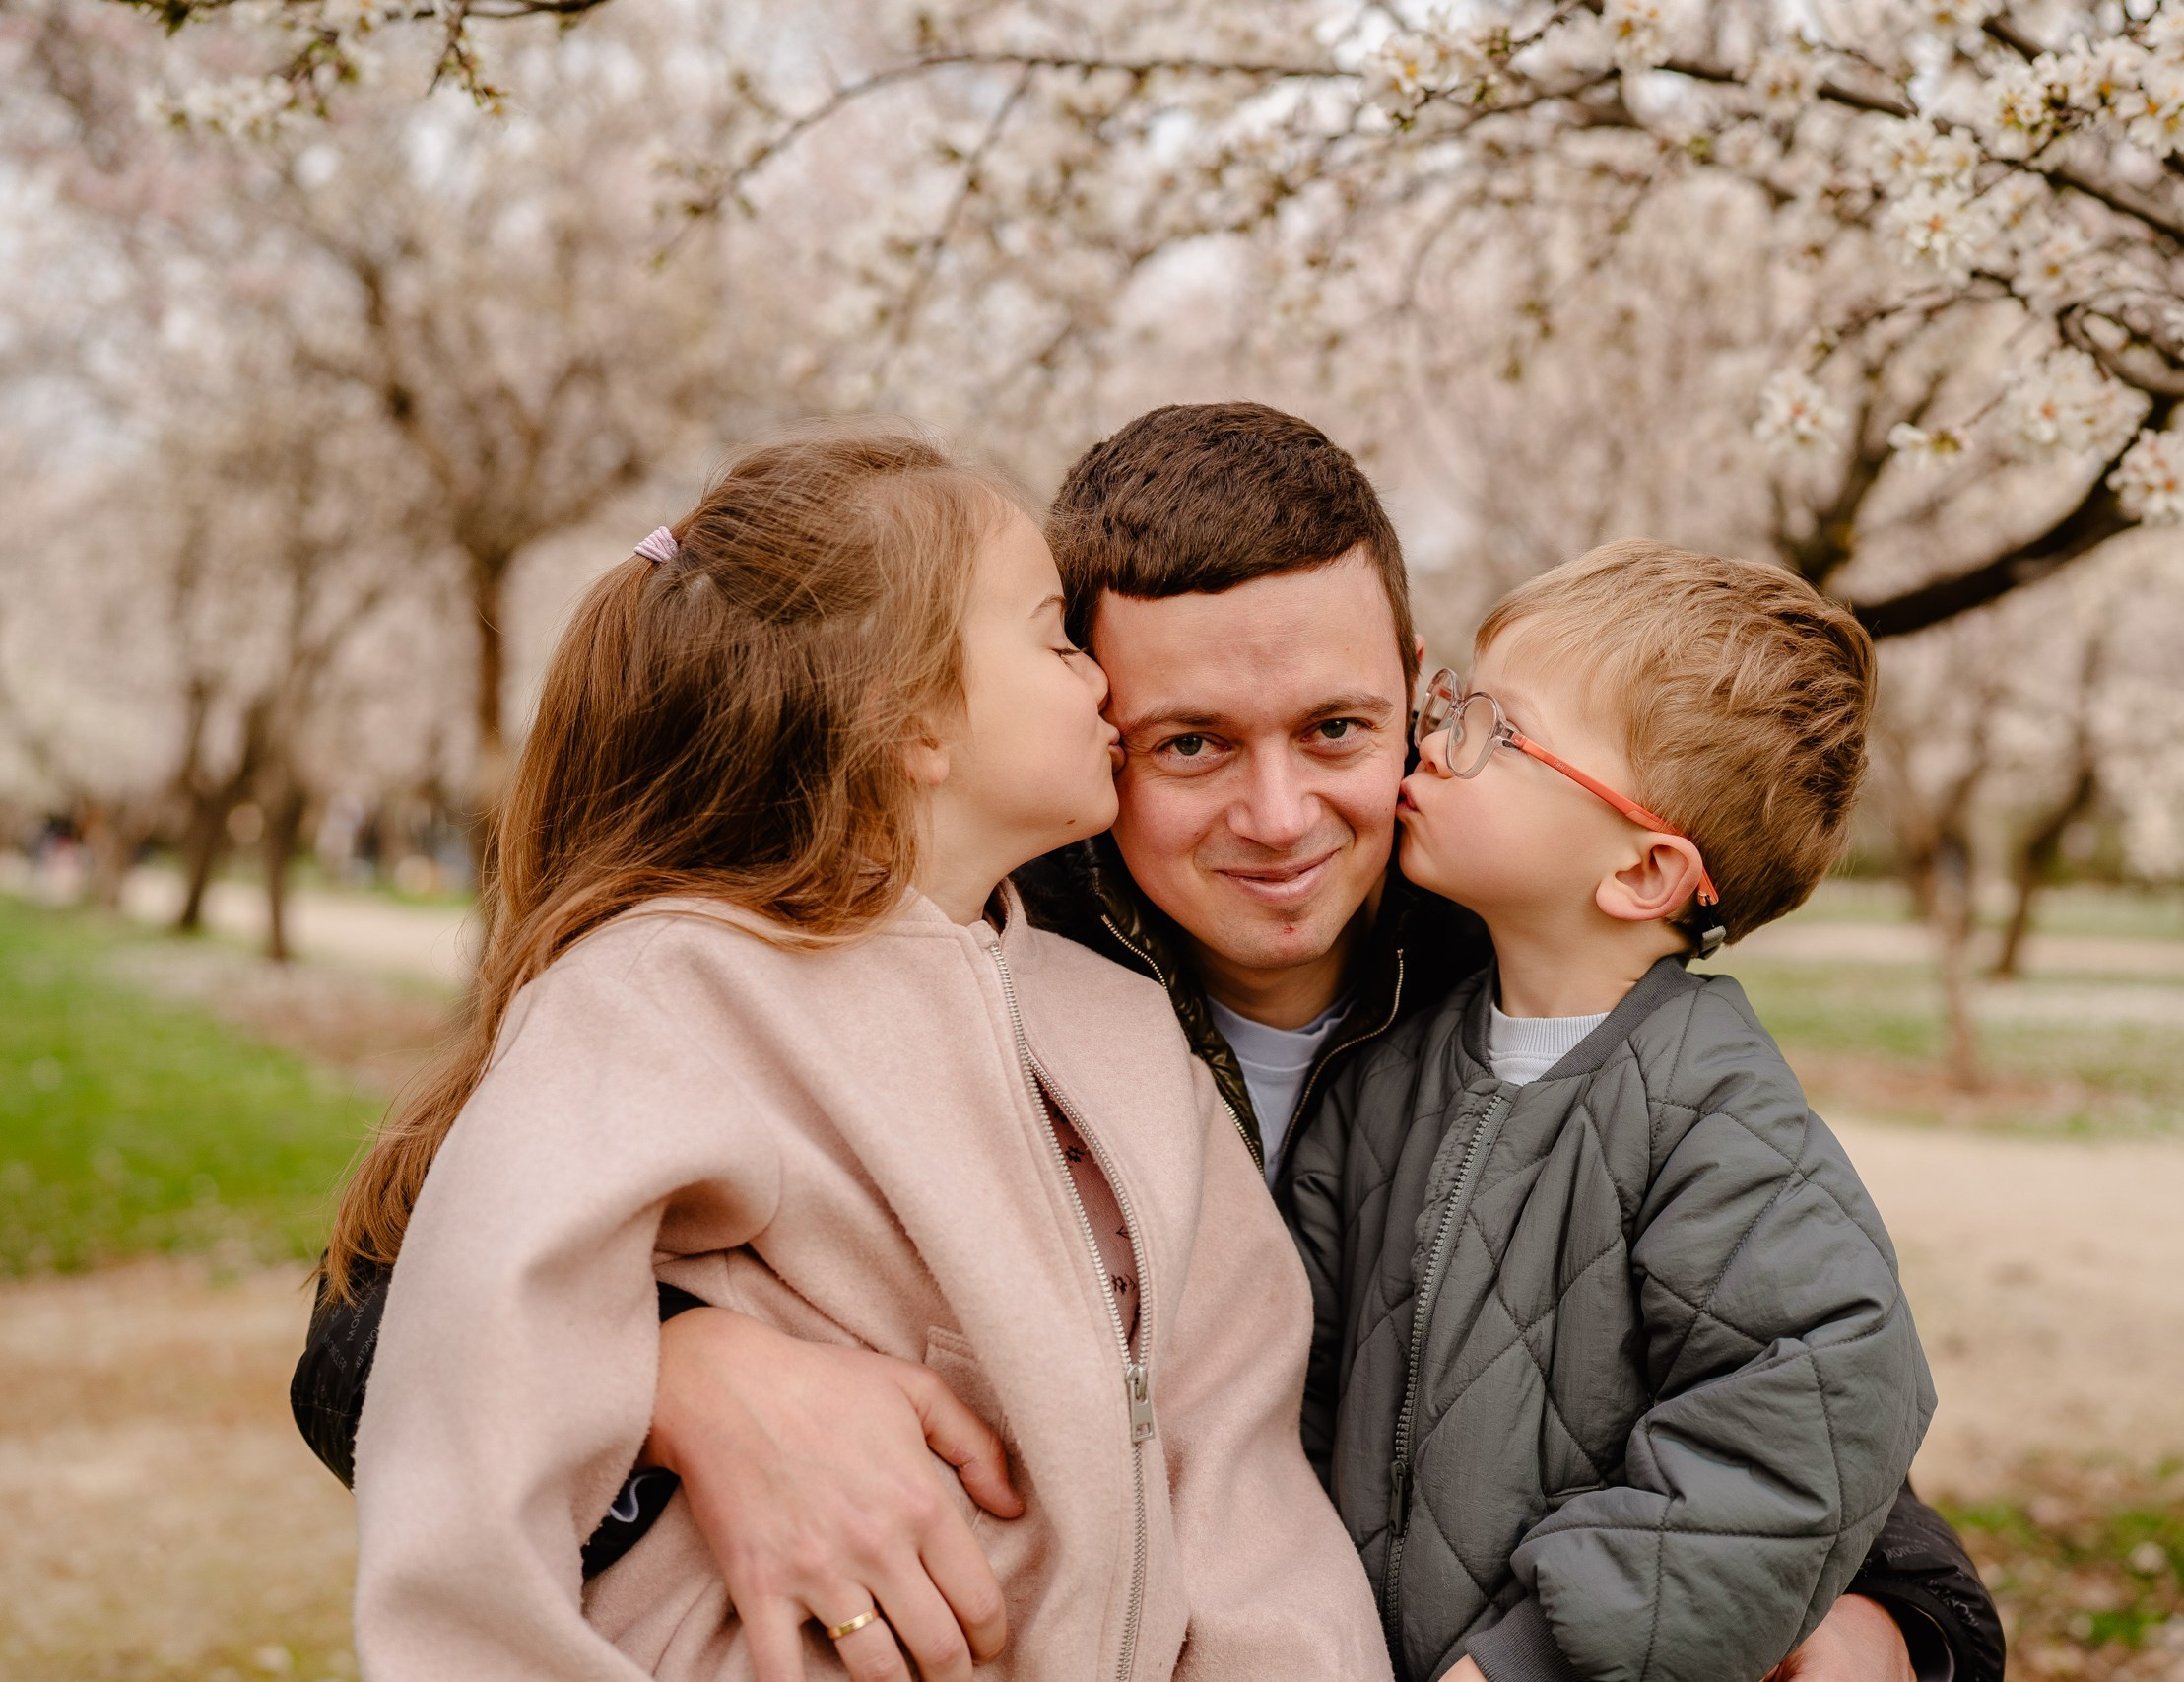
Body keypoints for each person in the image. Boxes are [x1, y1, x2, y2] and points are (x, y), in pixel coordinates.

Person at [296, 404, 2004, 1682]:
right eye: (1190, 743)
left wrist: (1885, 1630)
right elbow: (385, 1328)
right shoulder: (967, 950)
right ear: (1090, 710)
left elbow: (1783, 1412)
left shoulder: (1524, 989)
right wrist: (694, 1380)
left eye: (1339, 728)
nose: (1278, 816)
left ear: (1415, 690)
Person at [339, 422, 1389, 1681]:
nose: (1103, 686)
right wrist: (680, 1368)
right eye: (1057, 638)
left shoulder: (1119, 1025)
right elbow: (466, 1392)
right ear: (914, 725)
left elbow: (1239, 1475)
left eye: (1333, 728)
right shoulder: (673, 990)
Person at [1290, 542, 1931, 1682]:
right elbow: (1294, 1387)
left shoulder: (1709, 1111)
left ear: (1641, 874)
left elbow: (1808, 1414)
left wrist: (1535, 1656)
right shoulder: (1385, 1073)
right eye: (1452, 705)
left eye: (1496, 728)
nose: (1431, 743)